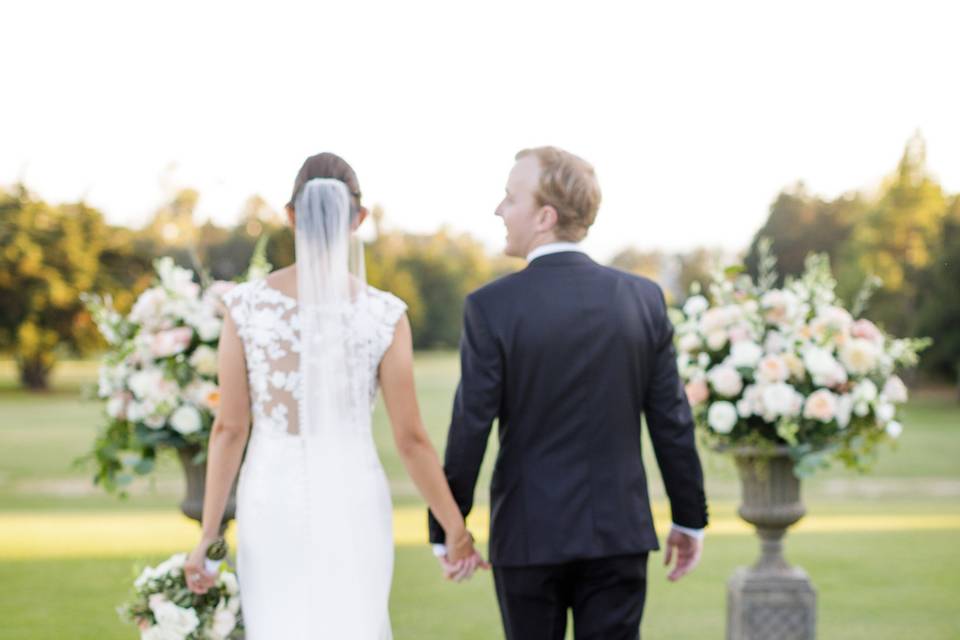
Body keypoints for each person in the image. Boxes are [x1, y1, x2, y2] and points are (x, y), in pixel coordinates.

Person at [184, 153, 482, 638]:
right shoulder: (384, 315)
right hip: (355, 496)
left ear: (290, 214)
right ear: (359, 219)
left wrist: (209, 537)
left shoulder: (246, 308)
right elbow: (412, 440)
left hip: (271, 496)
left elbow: (230, 429)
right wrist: (454, 528)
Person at [428, 146, 709, 639]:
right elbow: (672, 420)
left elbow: (470, 426)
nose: (499, 209)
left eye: (510, 197)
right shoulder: (643, 299)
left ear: (544, 216)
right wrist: (690, 518)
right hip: (618, 533)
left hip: (528, 535)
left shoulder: (491, 306)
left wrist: (447, 530)